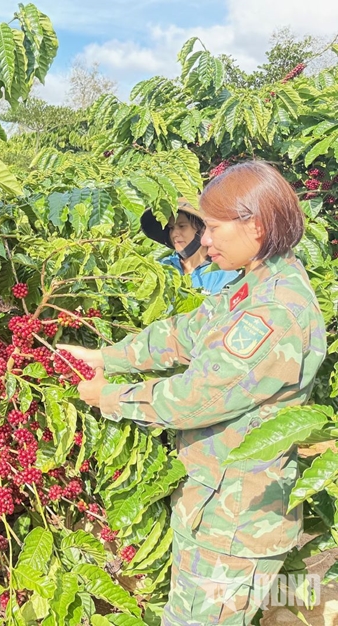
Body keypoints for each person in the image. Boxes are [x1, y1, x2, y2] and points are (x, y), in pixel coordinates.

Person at [61, 162, 326, 624]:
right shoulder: (254, 286)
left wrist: (109, 396)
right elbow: (185, 333)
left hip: (237, 525)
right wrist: (106, 356)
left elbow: (193, 398)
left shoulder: (275, 315)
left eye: (215, 228)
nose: (204, 240)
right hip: (215, 509)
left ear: (256, 227)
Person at [140, 197, 239, 295]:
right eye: (171, 228)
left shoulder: (223, 275)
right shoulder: (161, 267)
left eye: (182, 226)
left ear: (203, 229)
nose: (174, 233)